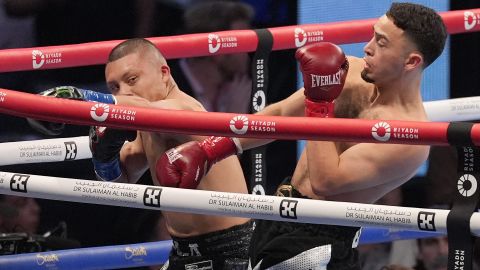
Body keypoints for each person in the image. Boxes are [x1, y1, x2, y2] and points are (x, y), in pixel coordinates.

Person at [157, 2, 447, 269]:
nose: (367, 47)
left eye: (381, 43)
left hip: (321, 240)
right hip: (280, 210)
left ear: (411, 62)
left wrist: (320, 106)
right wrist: (212, 151)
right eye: (373, 35)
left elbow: (326, 181)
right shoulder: (351, 71)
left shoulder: (409, 138)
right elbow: (281, 115)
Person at [30, 38, 252, 269]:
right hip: (183, 250)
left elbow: (144, 110)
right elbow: (119, 180)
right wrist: (104, 155)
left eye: (132, 79)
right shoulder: (146, 126)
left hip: (229, 250)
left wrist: (82, 99)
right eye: (114, 87)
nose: (125, 91)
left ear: (164, 73)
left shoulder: (184, 109)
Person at [169, 0, 254, 113]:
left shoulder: (237, 93)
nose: (250, 50)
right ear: (217, 48)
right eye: (242, 42)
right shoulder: (165, 88)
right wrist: (234, 119)